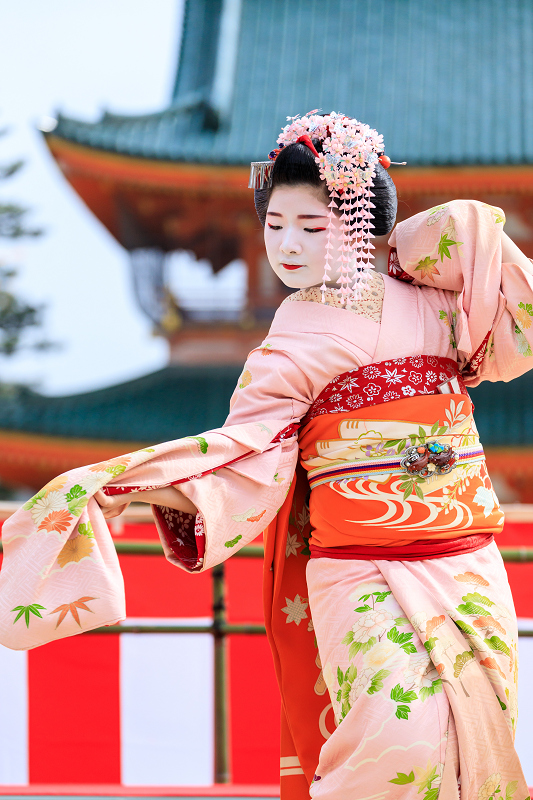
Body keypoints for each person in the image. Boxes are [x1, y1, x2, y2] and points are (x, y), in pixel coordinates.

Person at [1, 112, 531, 800]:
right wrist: (134, 484)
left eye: (311, 227)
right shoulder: (291, 331)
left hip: (463, 554)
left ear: (359, 226)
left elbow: (501, 291)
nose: (285, 244)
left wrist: (408, 241)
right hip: (360, 566)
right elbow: (245, 450)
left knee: (480, 726)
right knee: (395, 738)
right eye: (273, 224)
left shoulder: (435, 297)